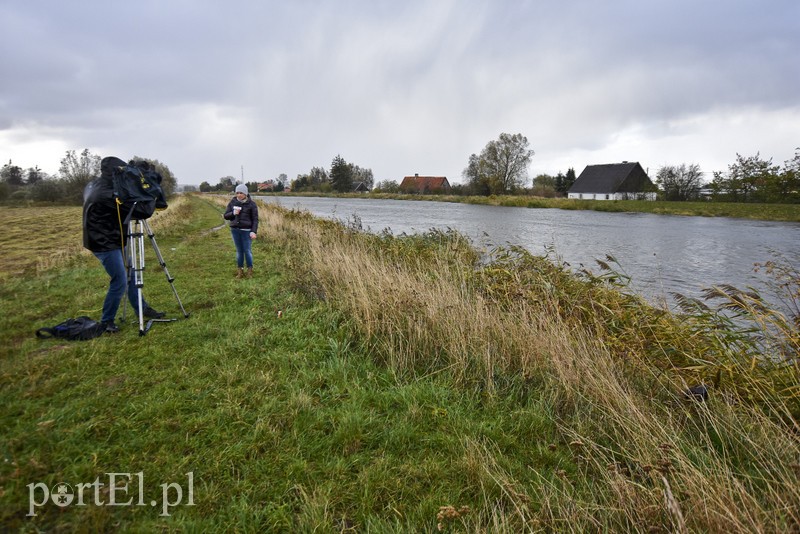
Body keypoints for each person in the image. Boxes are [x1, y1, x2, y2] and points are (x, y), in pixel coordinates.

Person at [82, 157, 166, 333]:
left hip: (110, 238)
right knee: (120, 279)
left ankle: (142, 309)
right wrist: (150, 189)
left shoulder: (97, 185)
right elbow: (142, 211)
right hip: (105, 243)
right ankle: (107, 321)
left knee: (130, 276)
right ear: (115, 173)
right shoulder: (108, 194)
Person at [223, 184, 259, 278]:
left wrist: (253, 231)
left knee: (247, 251)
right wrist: (233, 213)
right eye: (237, 193)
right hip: (235, 230)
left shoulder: (252, 204)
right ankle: (240, 271)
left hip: (246, 231)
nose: (238, 195)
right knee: (239, 251)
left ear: (245, 193)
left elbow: (255, 219)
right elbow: (226, 216)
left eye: (241, 193)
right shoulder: (233, 202)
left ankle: (250, 271)